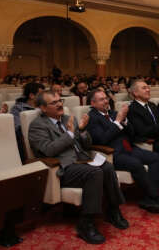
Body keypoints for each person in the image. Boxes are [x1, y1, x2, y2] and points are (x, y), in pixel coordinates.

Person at [29, 91, 127, 244]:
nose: (60, 104)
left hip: (82, 160)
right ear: (43, 108)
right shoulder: (37, 126)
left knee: (107, 167)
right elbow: (48, 150)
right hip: (63, 167)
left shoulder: (69, 119)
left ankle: (113, 210)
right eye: (54, 103)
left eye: (59, 100)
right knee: (94, 172)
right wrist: (69, 134)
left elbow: (86, 145)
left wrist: (81, 130)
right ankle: (86, 223)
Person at [87, 89, 159, 214]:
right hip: (113, 154)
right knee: (136, 164)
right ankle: (156, 197)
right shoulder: (92, 118)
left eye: (106, 98)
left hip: (129, 148)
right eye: (101, 99)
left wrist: (126, 121)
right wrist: (117, 122)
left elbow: (132, 134)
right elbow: (102, 139)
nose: (106, 101)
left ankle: (149, 198)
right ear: (93, 103)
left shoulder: (113, 113)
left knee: (155, 158)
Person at [11, 82, 45, 161]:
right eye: (41, 94)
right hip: (27, 141)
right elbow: (19, 128)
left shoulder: (43, 106)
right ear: (32, 96)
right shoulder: (17, 109)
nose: (44, 97)